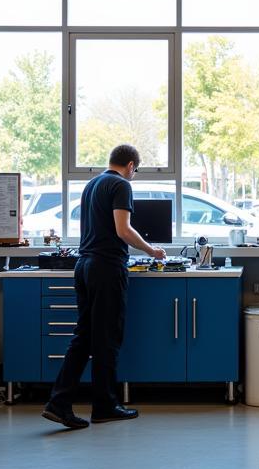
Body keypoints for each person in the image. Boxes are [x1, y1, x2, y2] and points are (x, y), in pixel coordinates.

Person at [42, 144, 166, 430]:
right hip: (106, 268)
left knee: (84, 337)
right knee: (107, 338)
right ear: (132, 165)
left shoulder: (92, 184)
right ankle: (105, 406)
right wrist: (152, 251)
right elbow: (123, 230)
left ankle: (58, 403)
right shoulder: (121, 185)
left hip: (84, 265)